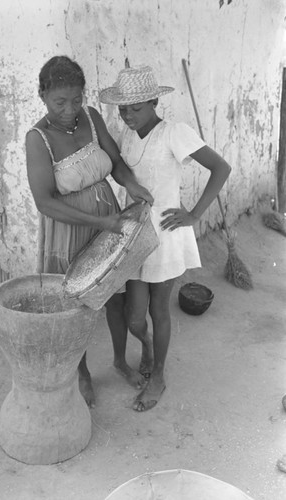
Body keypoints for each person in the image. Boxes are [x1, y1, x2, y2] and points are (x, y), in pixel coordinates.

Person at [99, 65, 232, 412]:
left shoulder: (175, 132)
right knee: (134, 318)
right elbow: (120, 166)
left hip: (166, 235)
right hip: (134, 237)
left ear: (155, 101)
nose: (127, 115)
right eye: (122, 108)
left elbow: (221, 168)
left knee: (159, 310)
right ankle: (147, 347)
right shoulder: (125, 133)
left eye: (136, 107)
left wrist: (194, 214)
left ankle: (158, 374)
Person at [25, 56, 154, 408]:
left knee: (115, 296)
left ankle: (117, 360)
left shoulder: (92, 118)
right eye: (59, 102)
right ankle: (81, 372)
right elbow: (45, 202)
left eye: (77, 99)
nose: (70, 110)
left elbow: (115, 163)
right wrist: (101, 224)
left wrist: (132, 185)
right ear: (42, 96)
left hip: (108, 219)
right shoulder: (38, 139)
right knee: (78, 305)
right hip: (69, 231)